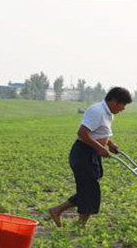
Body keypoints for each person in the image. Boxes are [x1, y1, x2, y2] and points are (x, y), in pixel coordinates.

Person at [49, 87, 132, 227]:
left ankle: (57, 210)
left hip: (91, 153)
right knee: (90, 190)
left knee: (88, 189)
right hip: (83, 153)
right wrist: (100, 148)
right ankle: (79, 224)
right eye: (122, 104)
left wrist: (110, 143)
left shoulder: (108, 113)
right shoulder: (97, 111)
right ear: (113, 101)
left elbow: (98, 132)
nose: (123, 109)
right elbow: (82, 133)